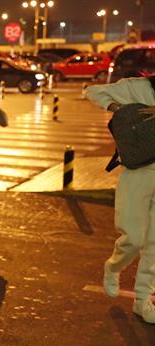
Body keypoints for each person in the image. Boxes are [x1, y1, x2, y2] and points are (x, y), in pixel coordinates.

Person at [85, 75, 155, 324]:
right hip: (139, 171)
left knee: (154, 243)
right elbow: (92, 91)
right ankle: (113, 267)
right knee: (135, 237)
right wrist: (122, 109)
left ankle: (143, 299)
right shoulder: (137, 87)